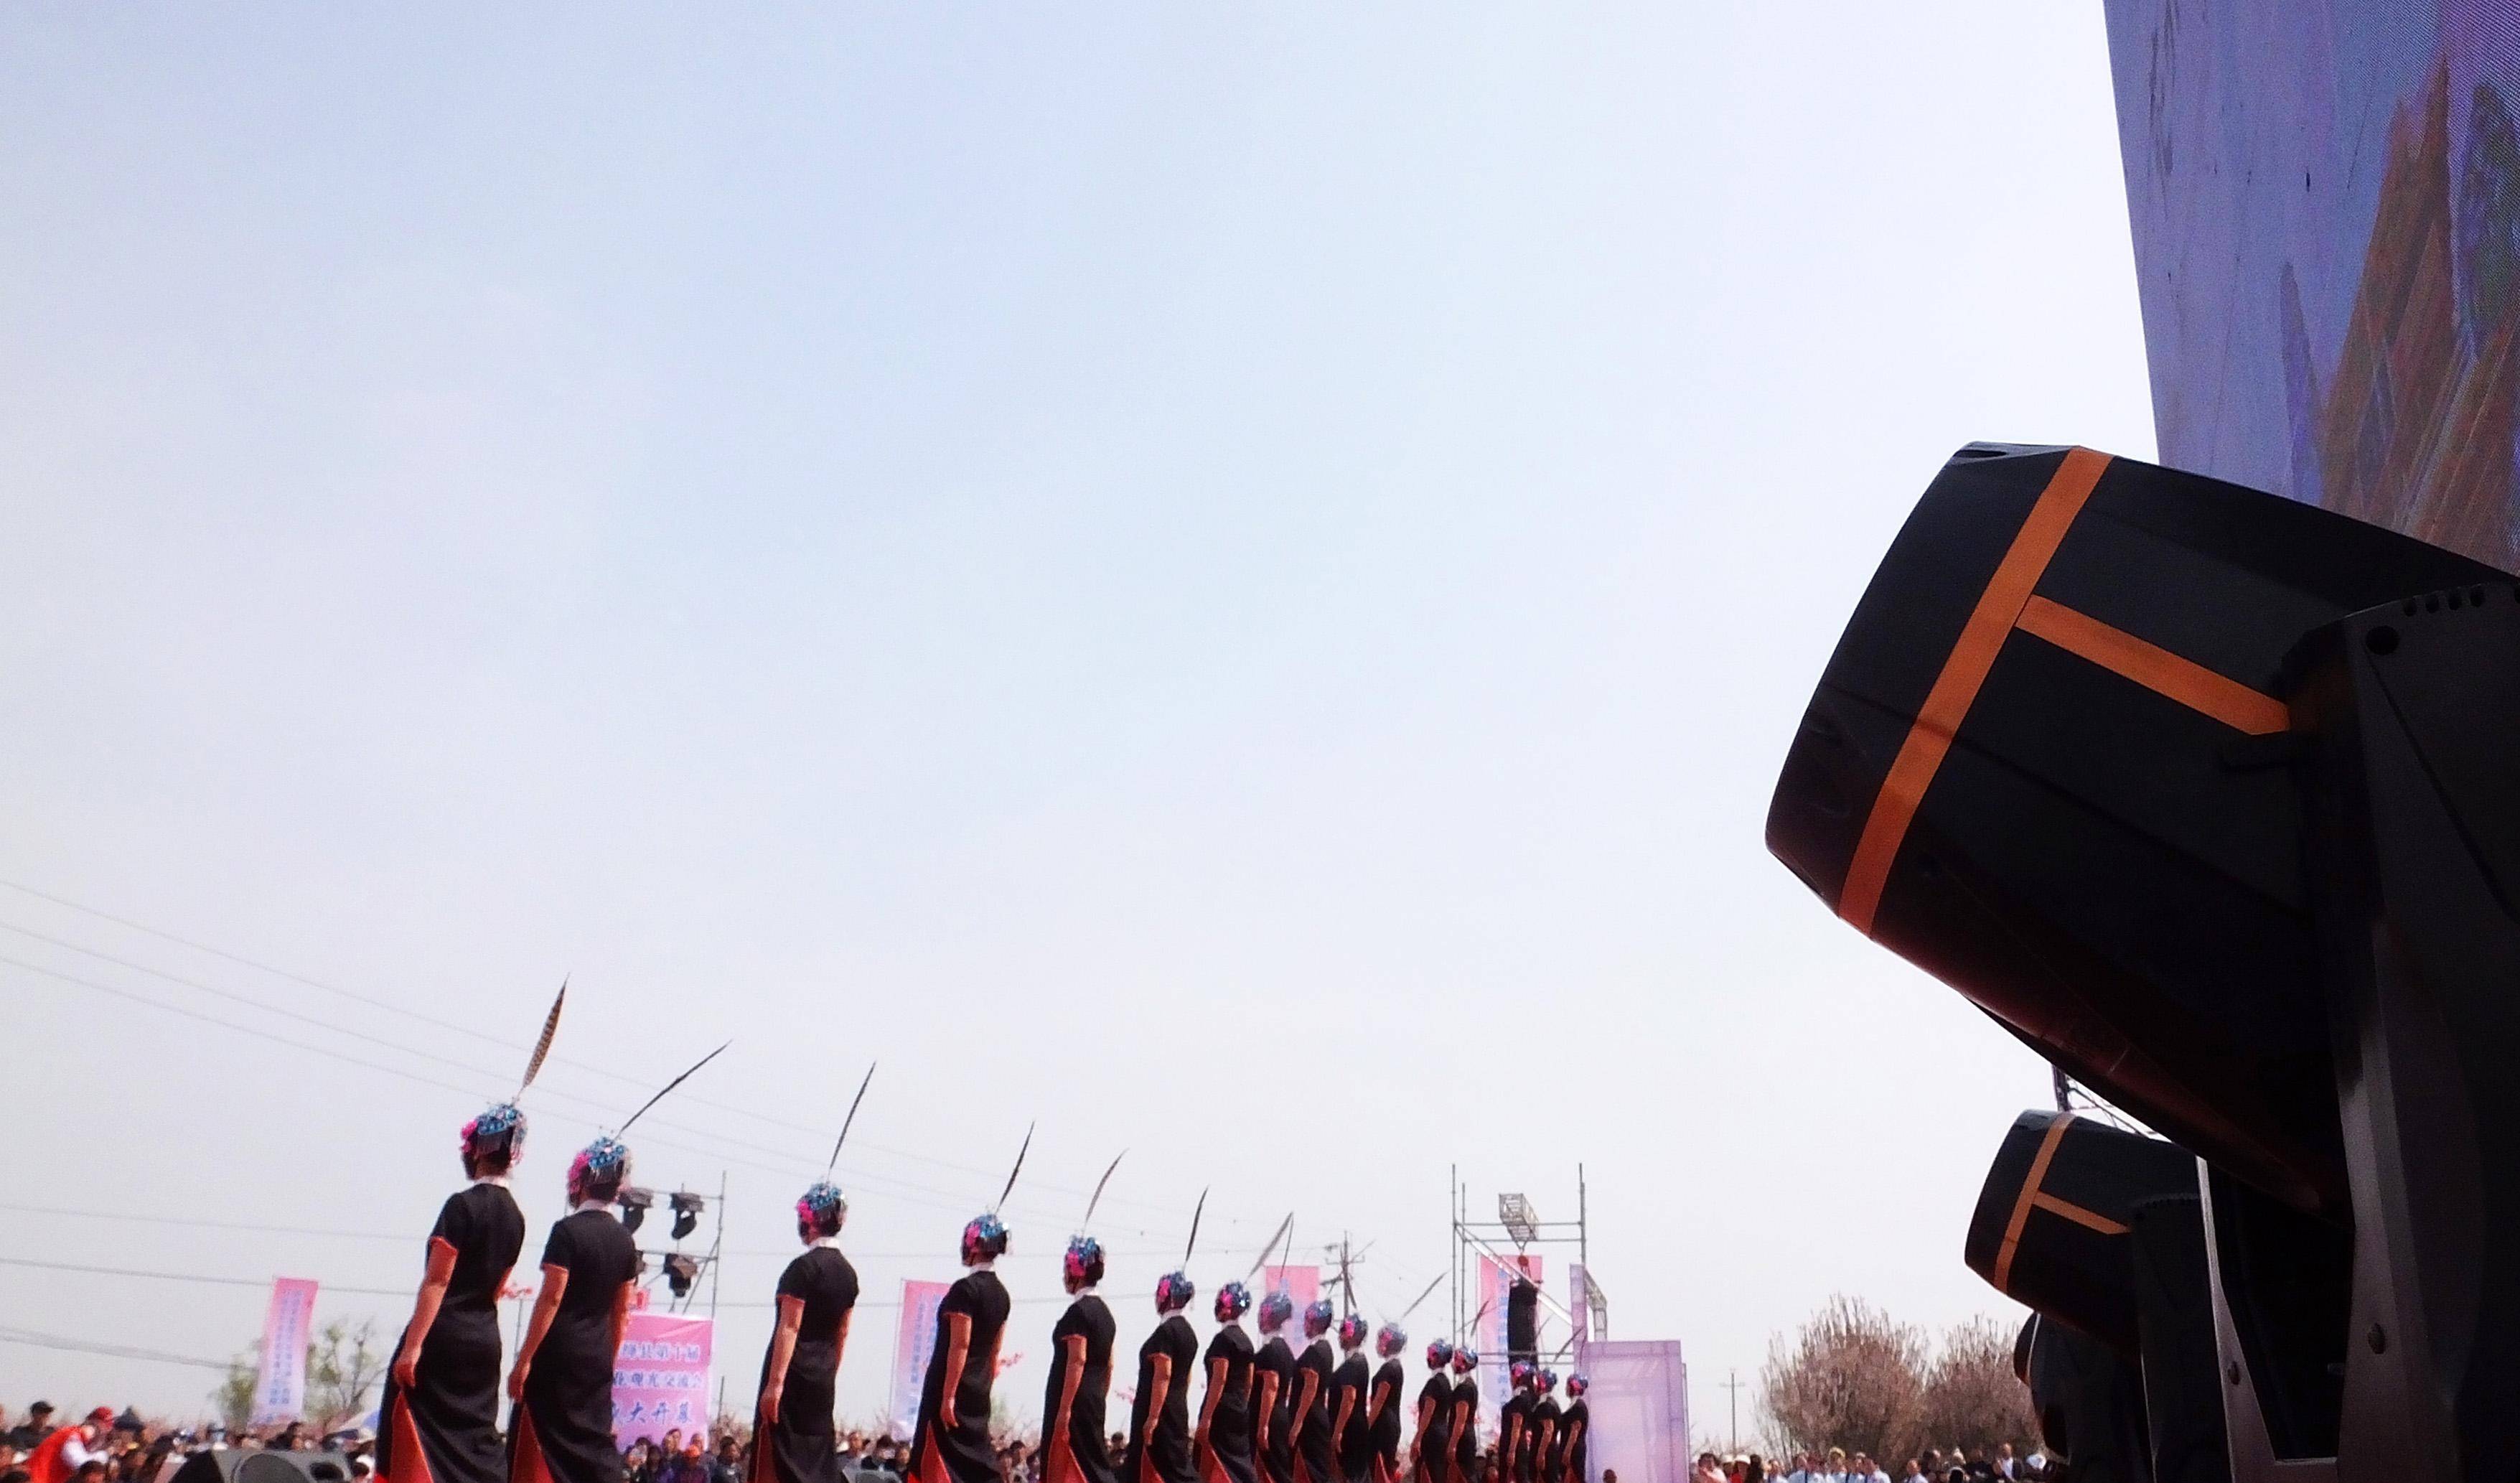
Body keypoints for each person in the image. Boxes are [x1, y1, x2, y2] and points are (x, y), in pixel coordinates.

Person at [382, 1102, 529, 1483]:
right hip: (484, 1341)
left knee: (408, 1422)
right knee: (473, 1439)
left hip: (443, 1334)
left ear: (476, 1151)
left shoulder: (462, 1206)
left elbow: (438, 1281)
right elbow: (497, 1289)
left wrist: (413, 1347)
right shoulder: (516, 1216)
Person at [508, 1136, 641, 1483]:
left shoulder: (566, 1231)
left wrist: (524, 1359)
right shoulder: (626, 1241)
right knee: (591, 1446)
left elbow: (551, 1298)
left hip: (558, 1352)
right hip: (597, 1356)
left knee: (538, 1440)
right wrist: (608, 1360)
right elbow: (622, 1312)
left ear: (580, 1181)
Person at [754, 1180, 861, 1483]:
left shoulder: (802, 1269)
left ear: (809, 1220)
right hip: (823, 1377)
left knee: (778, 1455)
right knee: (816, 1459)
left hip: (792, 1374)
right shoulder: (848, 1274)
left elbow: (790, 1326)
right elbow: (842, 1333)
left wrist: (775, 1384)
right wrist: (829, 1373)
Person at [907, 1214, 1013, 1483]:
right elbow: (994, 1352)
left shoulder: (965, 1290)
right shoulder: (1002, 1294)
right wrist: (983, 1387)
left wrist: (949, 1396)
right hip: (979, 1388)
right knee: (975, 1458)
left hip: (950, 1385)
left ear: (974, 1246)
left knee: (938, 1455)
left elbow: (960, 1345)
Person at [1043, 1238, 1119, 1483]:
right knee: (1092, 1463)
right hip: (1094, 1400)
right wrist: (1098, 1396)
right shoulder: (1105, 1314)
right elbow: (1109, 1364)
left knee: (1067, 1465)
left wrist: (1065, 1409)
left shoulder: (1078, 1313)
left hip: (1073, 1399)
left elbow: (1077, 1360)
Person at [1126, 1272, 1199, 1483]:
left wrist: (1153, 1418)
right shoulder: (1189, 1333)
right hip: (1178, 1407)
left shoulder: (1166, 1332)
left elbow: (1163, 1374)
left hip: (1160, 1410)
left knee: (1163, 1468)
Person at [1196, 1283, 1255, 1483]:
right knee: (1241, 1466)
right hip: (1240, 1409)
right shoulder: (1247, 1342)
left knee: (1217, 1465)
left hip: (1221, 1410)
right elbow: (1248, 1382)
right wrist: (1241, 1405)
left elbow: (1219, 1379)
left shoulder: (1222, 1340)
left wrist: (1206, 1418)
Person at [1248, 1292, 1297, 1483]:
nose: (1261, 1319)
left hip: (1269, 1417)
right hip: (1279, 1415)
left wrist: (1263, 1425)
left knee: (1275, 1472)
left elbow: (1271, 1387)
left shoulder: (1272, 1351)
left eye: (1265, 1314)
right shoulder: (1285, 1350)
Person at [1289, 1301, 1336, 1483]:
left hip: (1310, 1421)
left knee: (1311, 1472)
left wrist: (1297, 1423)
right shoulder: (1325, 1349)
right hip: (1315, 1417)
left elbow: (1310, 1388)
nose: (1305, 1325)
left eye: (1309, 1321)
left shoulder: (1316, 1351)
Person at [1326, 1317, 1372, 1483]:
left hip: (1350, 1431)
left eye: (1344, 1332)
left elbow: (1349, 1398)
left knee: (1351, 1475)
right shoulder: (1356, 1362)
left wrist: (1338, 1431)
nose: (1340, 1336)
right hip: (1353, 1428)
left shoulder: (1354, 1364)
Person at [1364, 1327, 1405, 1483]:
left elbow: (1380, 1399)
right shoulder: (1394, 1366)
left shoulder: (1390, 1368)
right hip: (1388, 1423)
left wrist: (1367, 1424)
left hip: (1383, 1426)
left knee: (1380, 1470)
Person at [24, 1411, 112, 1483]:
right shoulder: (71, 1436)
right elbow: (81, 1464)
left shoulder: (73, 1436)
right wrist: (104, 1455)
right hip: (37, 1479)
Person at [1407, 1343, 1451, 1483]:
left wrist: (1418, 1438)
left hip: (1431, 1435)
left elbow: (1428, 1411)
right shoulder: (1445, 1382)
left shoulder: (1435, 1383)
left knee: (1428, 1474)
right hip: (1442, 1434)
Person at [1494, 1369, 1534, 1483]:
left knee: (1519, 1477)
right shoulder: (1522, 1397)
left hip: (1514, 1445)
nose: (1510, 1379)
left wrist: (1512, 1451)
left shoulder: (1520, 1399)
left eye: (1512, 1376)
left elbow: (1517, 1426)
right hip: (1513, 1444)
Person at [1442, 1351, 1476, 1483]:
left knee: (1464, 1476)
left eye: (1457, 1359)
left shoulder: (1465, 1388)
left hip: (1463, 1439)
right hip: (1464, 1436)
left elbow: (1461, 1419)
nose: (1453, 1363)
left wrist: (1453, 1444)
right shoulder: (1467, 1385)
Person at [1524, 1376, 1558, 1483]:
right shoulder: (1546, 1402)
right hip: (1545, 1449)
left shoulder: (1545, 1405)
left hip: (1545, 1452)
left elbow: (1548, 1430)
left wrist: (1541, 1454)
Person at [1551, 1377, 1585, 1483]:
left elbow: (1575, 1430)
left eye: (1568, 1386)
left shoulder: (1578, 1407)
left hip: (1574, 1451)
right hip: (1570, 1449)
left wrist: (1567, 1452)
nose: (1566, 1388)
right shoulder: (1574, 1405)